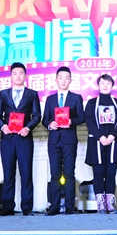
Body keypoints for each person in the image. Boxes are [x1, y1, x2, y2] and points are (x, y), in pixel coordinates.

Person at [0, 62, 42, 216]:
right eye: (15, 73)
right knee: (8, 173)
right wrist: (3, 126)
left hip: (24, 138)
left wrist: (28, 127)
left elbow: (37, 116)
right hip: (7, 138)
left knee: (26, 173)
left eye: (21, 73)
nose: (18, 76)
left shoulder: (32, 94)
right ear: (11, 76)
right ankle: (8, 207)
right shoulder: (4, 94)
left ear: (25, 76)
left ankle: (27, 207)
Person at [42, 66, 85, 216]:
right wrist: (50, 124)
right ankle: (54, 206)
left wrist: (71, 121)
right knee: (54, 174)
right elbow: (44, 119)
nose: (63, 80)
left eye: (67, 78)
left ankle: (69, 206)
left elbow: (82, 117)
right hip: (54, 141)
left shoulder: (76, 98)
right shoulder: (50, 99)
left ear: (70, 80)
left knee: (69, 174)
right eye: (61, 77)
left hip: (69, 140)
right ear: (56, 80)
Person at [84, 74, 117, 214]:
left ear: (112, 85)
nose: (105, 86)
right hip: (96, 142)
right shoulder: (91, 103)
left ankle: (110, 204)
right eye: (102, 83)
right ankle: (101, 205)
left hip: (114, 142)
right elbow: (89, 121)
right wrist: (101, 137)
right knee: (98, 173)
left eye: (108, 83)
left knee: (111, 173)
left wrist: (112, 136)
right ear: (98, 85)